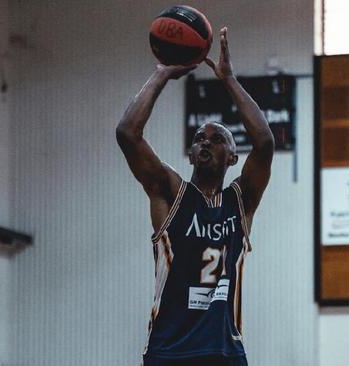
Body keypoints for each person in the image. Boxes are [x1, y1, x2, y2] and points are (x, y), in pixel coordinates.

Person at [116, 27, 274, 366]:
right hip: (170, 351)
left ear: (233, 157)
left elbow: (264, 143)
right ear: (190, 153)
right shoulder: (170, 193)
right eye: (199, 137)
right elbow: (128, 134)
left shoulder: (241, 201)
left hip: (224, 351)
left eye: (217, 139)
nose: (205, 141)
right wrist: (162, 73)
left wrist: (229, 79)